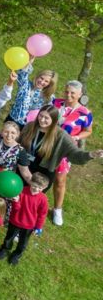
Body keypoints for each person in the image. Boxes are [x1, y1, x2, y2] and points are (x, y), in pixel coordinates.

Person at [16, 104, 103, 227]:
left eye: (46, 118)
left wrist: (91, 154)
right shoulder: (30, 126)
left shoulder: (61, 136)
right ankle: (13, 219)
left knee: (30, 201)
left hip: (43, 174)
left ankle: (24, 226)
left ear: (54, 120)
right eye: (41, 116)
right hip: (23, 167)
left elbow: (75, 154)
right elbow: (18, 143)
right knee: (17, 196)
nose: (42, 120)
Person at [48, 80, 94, 225]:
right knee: (41, 172)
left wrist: (77, 137)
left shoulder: (85, 113)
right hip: (47, 144)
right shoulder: (55, 103)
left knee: (60, 180)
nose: (68, 95)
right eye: (66, 91)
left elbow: (88, 131)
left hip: (65, 149)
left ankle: (57, 210)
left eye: (72, 93)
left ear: (80, 94)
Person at [0, 173, 50, 266]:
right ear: (30, 182)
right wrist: (16, 202)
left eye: (40, 188)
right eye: (34, 186)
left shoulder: (43, 199)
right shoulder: (21, 191)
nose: (36, 189)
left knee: (23, 243)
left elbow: (42, 214)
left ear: (44, 188)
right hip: (15, 221)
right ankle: (5, 249)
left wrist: (39, 227)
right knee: (9, 238)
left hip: (29, 225)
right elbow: (16, 209)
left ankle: (16, 255)